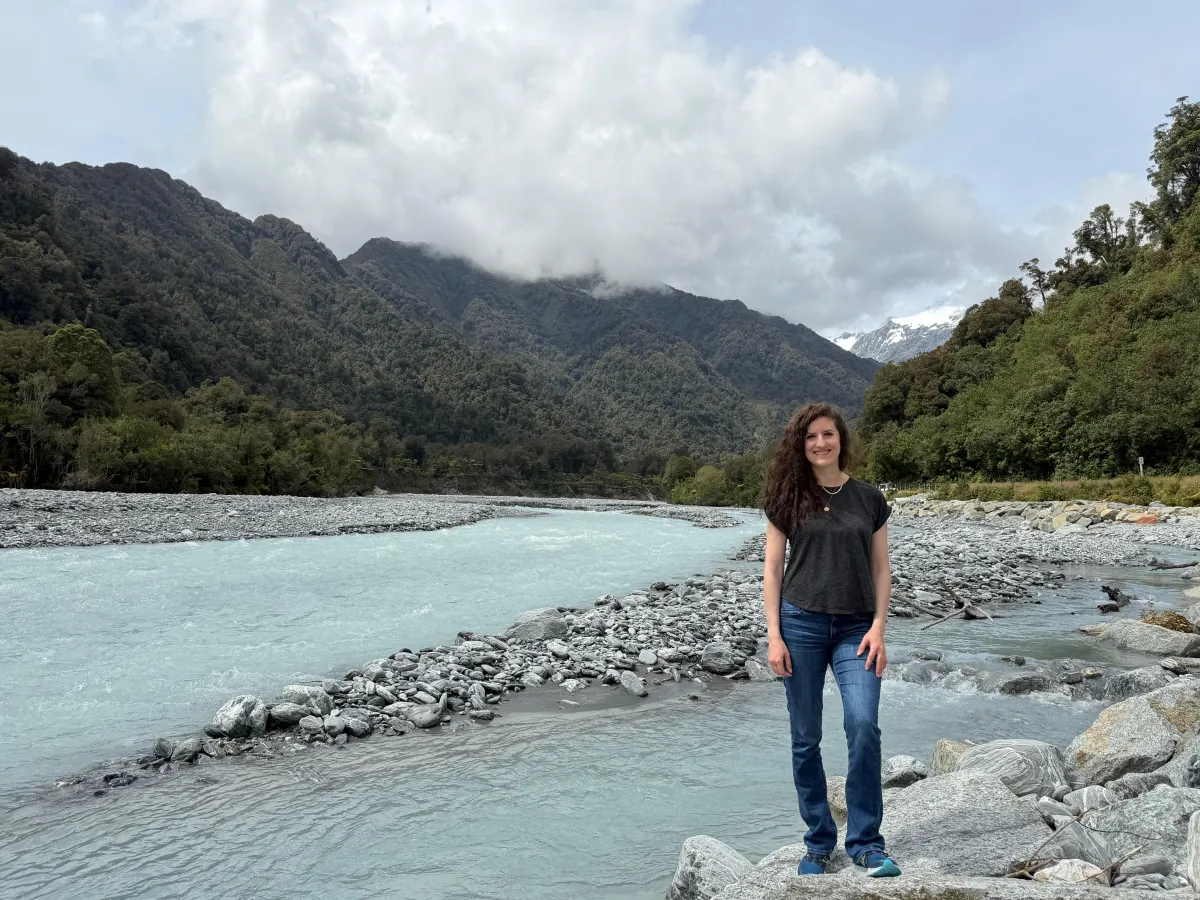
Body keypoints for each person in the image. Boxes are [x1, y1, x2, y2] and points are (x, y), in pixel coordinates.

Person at [761, 401, 900, 878]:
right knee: (806, 739)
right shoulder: (787, 497)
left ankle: (866, 843)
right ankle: (819, 842)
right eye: (811, 437)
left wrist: (880, 626)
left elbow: (881, 569)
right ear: (800, 447)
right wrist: (774, 635)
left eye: (828, 435)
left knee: (863, 727)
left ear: (841, 439)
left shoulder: (869, 499)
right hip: (799, 624)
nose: (821, 443)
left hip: (857, 628)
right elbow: (772, 572)